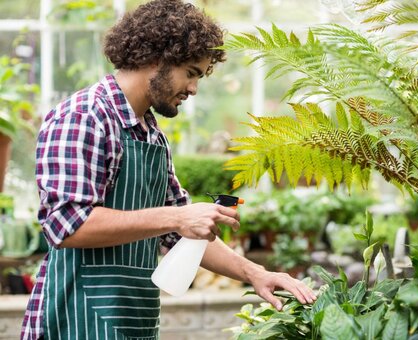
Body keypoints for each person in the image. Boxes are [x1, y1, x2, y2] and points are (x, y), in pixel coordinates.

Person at [21, 1, 316, 339]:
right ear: (156, 57)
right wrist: (177, 218)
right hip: (74, 319)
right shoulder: (84, 117)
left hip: (133, 321)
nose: (193, 89)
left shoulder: (151, 135)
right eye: (191, 72)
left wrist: (255, 273)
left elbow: (181, 233)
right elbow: (66, 226)